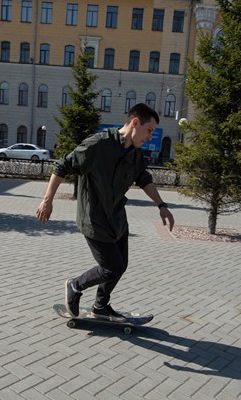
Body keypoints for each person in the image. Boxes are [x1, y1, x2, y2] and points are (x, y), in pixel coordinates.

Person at [36, 103, 174, 321]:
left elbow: (144, 179)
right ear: (135, 123)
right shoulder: (98, 145)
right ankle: (75, 285)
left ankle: (101, 306)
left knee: (120, 265)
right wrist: (47, 200)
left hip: (117, 219)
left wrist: (161, 205)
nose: (150, 137)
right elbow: (62, 165)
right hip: (94, 219)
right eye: (149, 131)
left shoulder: (135, 154)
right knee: (111, 267)